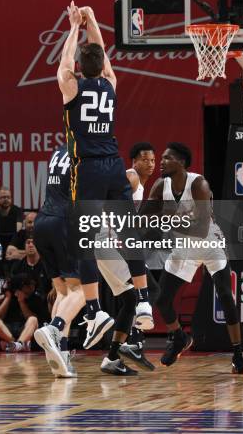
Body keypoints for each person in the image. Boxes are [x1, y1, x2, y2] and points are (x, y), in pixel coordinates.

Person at [57, 1, 152, 376]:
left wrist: (72, 28)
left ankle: (95, 312)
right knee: (129, 231)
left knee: (85, 237)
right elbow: (103, 59)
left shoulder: (71, 85)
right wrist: (93, 20)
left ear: (82, 68)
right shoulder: (110, 84)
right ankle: (143, 301)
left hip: (91, 168)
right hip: (114, 165)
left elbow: (64, 65)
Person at [147, 143, 243, 375]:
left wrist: (167, 221)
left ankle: (238, 355)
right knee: (162, 300)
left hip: (210, 243)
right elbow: (144, 217)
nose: (161, 161)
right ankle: (178, 337)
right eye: (161, 157)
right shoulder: (159, 186)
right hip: (183, 247)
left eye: (167, 158)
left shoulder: (198, 184)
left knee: (226, 295)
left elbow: (201, 227)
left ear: (182, 163)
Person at [96, 141, 158, 371]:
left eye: (153, 160)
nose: (150, 164)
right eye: (145, 159)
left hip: (108, 241)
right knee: (148, 290)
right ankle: (135, 342)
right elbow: (108, 202)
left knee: (132, 298)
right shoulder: (131, 177)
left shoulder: (142, 186)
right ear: (134, 161)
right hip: (106, 239)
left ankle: (112, 358)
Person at [34, 145, 85, 378]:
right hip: (63, 222)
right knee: (82, 290)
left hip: (42, 220)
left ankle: (60, 354)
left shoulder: (58, 151)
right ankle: (54, 328)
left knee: (62, 292)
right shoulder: (88, 153)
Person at [0, 273, 48, 353]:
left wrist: (21, 301)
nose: (32, 287)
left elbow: (33, 320)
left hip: (25, 330)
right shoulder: (5, 297)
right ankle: (16, 344)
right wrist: (8, 297)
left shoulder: (36, 299)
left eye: (33, 284)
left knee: (33, 319)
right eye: (29, 285)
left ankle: (18, 344)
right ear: (20, 286)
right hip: (8, 330)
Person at [0, 187, 23, 255]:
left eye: (8, 197)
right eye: (3, 197)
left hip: (12, 241)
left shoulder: (16, 210)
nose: (6, 199)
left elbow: (18, 228)